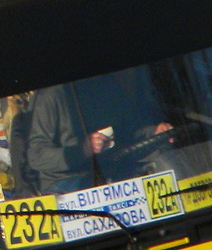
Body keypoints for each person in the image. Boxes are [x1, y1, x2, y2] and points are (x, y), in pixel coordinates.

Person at [26, 69, 173, 194]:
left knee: (162, 166)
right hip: (66, 183)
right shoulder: (51, 94)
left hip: (111, 171)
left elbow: (132, 129)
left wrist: (155, 132)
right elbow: (36, 156)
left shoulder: (107, 85)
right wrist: (83, 149)